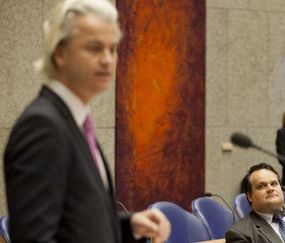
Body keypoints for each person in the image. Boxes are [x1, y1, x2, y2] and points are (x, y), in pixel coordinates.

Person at [3, 1, 170, 242]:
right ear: (60, 53)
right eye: (94, 48)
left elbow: (76, 223)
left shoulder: (74, 122)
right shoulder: (42, 126)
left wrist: (128, 225)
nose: (107, 59)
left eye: (113, 49)